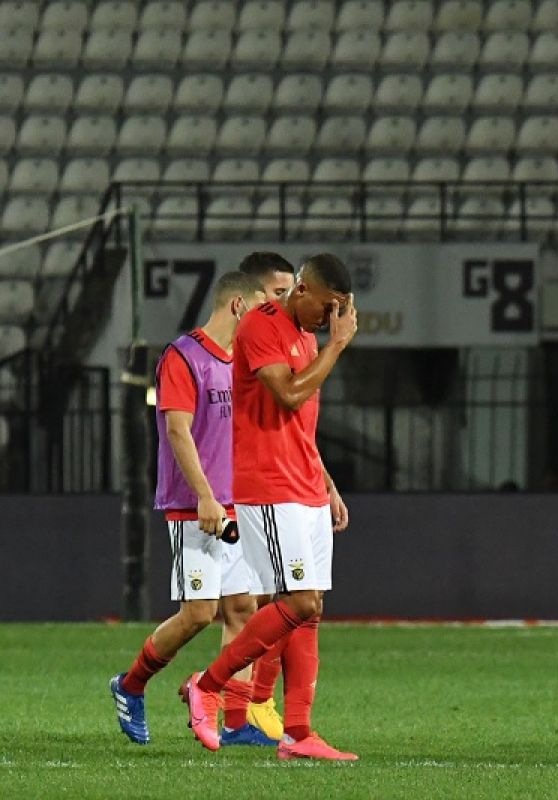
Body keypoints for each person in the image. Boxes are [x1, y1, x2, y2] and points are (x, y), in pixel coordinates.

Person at [181, 253, 358, 761]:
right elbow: (288, 396)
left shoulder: (307, 337)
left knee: (312, 612)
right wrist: (338, 346)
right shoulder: (263, 326)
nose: (331, 318)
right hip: (268, 485)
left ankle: (299, 734)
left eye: (340, 310)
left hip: (302, 485)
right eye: (328, 306)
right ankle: (209, 684)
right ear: (302, 291)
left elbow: (302, 427)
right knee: (297, 602)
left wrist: (325, 483)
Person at [109, 272, 276, 747]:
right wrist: (204, 494)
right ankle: (131, 684)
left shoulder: (240, 363)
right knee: (200, 613)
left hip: (234, 504)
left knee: (244, 608)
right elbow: (178, 431)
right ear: (240, 307)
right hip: (195, 506)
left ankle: (236, 720)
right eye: (263, 312)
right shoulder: (185, 357)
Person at [233, 250, 298, 742]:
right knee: (262, 601)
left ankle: (249, 703)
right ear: (251, 297)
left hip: (273, 482)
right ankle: (236, 699)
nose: (289, 301)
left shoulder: (288, 341)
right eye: (280, 293)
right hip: (240, 486)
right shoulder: (234, 346)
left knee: (277, 597)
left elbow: (298, 427)